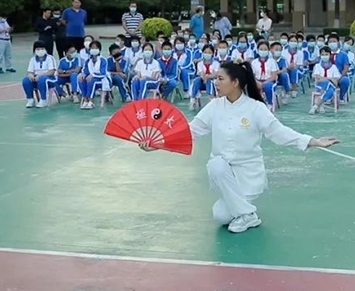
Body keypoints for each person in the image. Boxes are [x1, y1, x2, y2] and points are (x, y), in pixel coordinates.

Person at [139, 60, 339, 233]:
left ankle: (245, 214)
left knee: (222, 214)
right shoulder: (215, 106)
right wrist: (158, 143)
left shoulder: (255, 108)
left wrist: (313, 141)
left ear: (235, 83)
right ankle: (247, 215)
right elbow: (191, 131)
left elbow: (279, 132)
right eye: (216, 78)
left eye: (220, 79)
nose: (215, 83)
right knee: (217, 184)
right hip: (223, 174)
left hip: (248, 174)